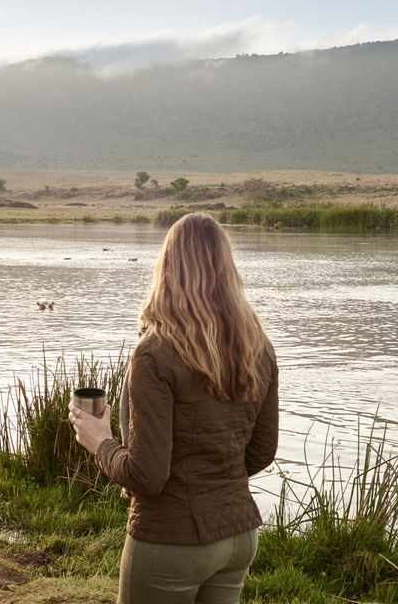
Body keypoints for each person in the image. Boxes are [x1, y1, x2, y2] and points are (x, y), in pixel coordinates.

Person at [69, 212, 280, 604]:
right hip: (237, 536)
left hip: (171, 542)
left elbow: (148, 477)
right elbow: (262, 452)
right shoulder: (259, 347)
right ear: (226, 269)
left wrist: (100, 442)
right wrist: (213, 482)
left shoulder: (154, 353)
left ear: (167, 268)